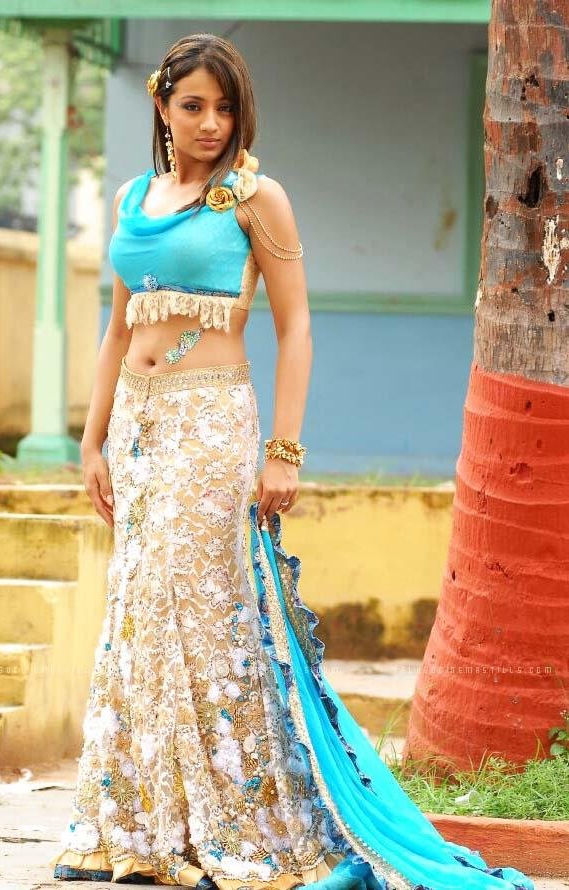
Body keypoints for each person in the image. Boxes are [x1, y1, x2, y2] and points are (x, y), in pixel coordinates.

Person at [50, 32, 535, 890]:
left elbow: (297, 324)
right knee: (139, 610)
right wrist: (91, 442)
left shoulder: (256, 197)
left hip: (211, 424)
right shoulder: (132, 196)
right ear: (161, 106)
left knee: (204, 610)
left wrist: (282, 451)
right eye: (193, 105)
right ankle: (144, 827)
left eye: (224, 107)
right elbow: (116, 331)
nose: (210, 123)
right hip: (136, 425)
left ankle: (239, 821)